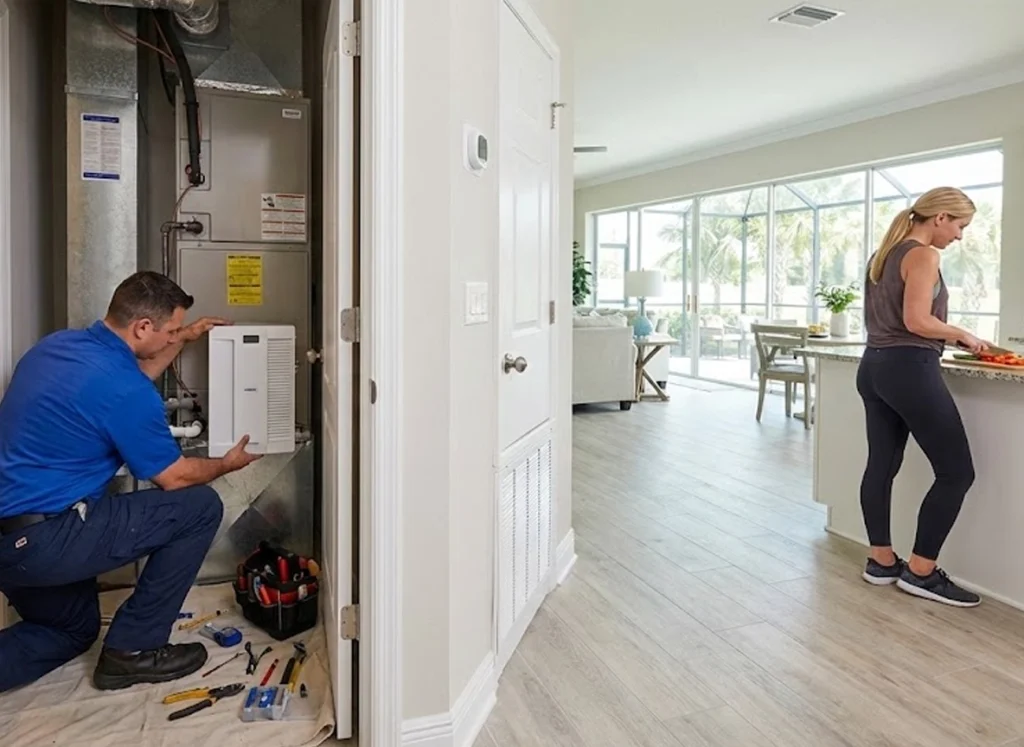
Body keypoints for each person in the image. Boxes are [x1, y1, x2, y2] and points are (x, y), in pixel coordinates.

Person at [0, 271, 262, 692]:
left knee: (70, 628)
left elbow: (124, 380)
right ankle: (133, 651)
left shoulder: (55, 348)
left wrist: (182, 337)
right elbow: (174, 477)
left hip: (11, 544)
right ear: (142, 327)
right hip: (47, 541)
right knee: (199, 507)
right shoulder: (125, 392)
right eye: (171, 330)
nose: (174, 336)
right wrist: (226, 463)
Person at [858, 186, 986, 607]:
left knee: (882, 465)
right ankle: (921, 572)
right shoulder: (923, 255)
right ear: (941, 217)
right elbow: (917, 321)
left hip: (873, 366)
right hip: (908, 369)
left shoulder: (882, 255)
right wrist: (961, 333)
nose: (960, 236)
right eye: (960, 226)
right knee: (956, 473)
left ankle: (881, 561)